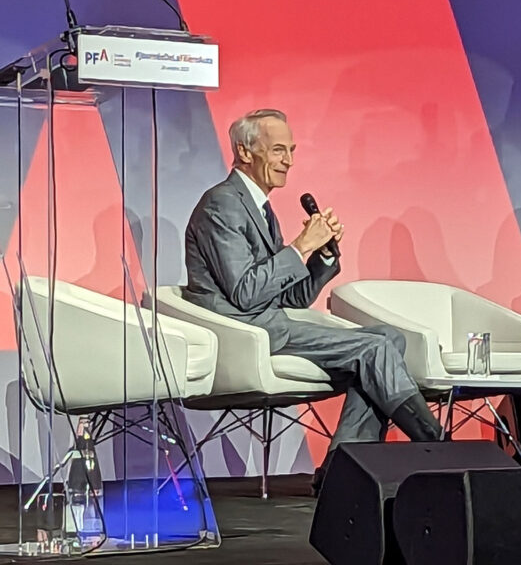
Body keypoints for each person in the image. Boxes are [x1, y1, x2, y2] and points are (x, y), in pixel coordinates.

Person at [183, 109, 443, 492]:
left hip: (273, 324)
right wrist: (300, 244)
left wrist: (319, 257)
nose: (288, 160)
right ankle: (435, 445)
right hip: (244, 333)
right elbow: (245, 294)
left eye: (291, 150)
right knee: (374, 351)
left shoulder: (258, 207)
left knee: (389, 339)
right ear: (243, 150)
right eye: (277, 150)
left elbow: (292, 298)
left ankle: (340, 470)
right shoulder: (221, 204)